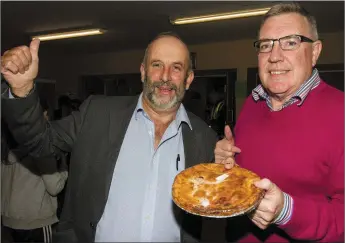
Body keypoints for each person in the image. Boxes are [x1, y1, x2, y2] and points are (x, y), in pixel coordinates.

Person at [1, 32, 218, 242]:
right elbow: (40, 143)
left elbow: (214, 202)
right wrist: (22, 90)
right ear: (143, 71)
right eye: (157, 65)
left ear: (188, 79)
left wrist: (227, 168)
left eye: (176, 68)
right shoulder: (98, 114)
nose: (165, 76)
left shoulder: (204, 138)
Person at [214, 2, 344, 242]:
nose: (274, 56)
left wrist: (287, 211)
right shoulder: (253, 103)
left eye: (290, 42)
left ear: (315, 52)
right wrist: (228, 162)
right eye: (266, 45)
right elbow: (250, 178)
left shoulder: (341, 113)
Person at [1, 100, 68, 243]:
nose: (48, 118)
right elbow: (55, 187)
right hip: (35, 221)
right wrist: (64, 169)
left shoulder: (5, 144)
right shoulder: (39, 146)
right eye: (45, 115)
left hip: (9, 221)